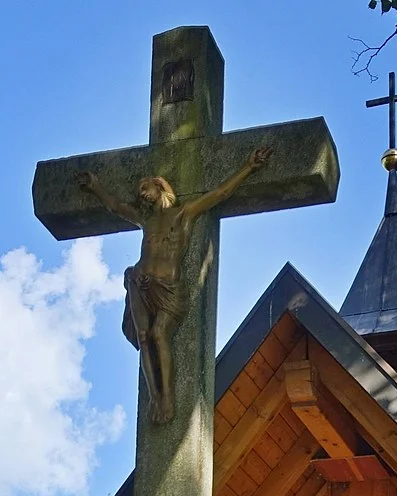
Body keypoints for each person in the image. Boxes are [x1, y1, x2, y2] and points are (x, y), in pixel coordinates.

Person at [77, 146, 273, 422]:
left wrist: (249, 167)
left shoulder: (183, 214)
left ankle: (167, 399)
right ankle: (155, 400)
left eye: (145, 187)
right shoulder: (145, 219)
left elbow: (219, 194)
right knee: (145, 338)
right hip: (140, 281)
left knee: (159, 334)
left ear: (160, 186)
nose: (141, 194)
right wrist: (95, 187)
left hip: (168, 288)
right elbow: (116, 207)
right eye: (139, 191)